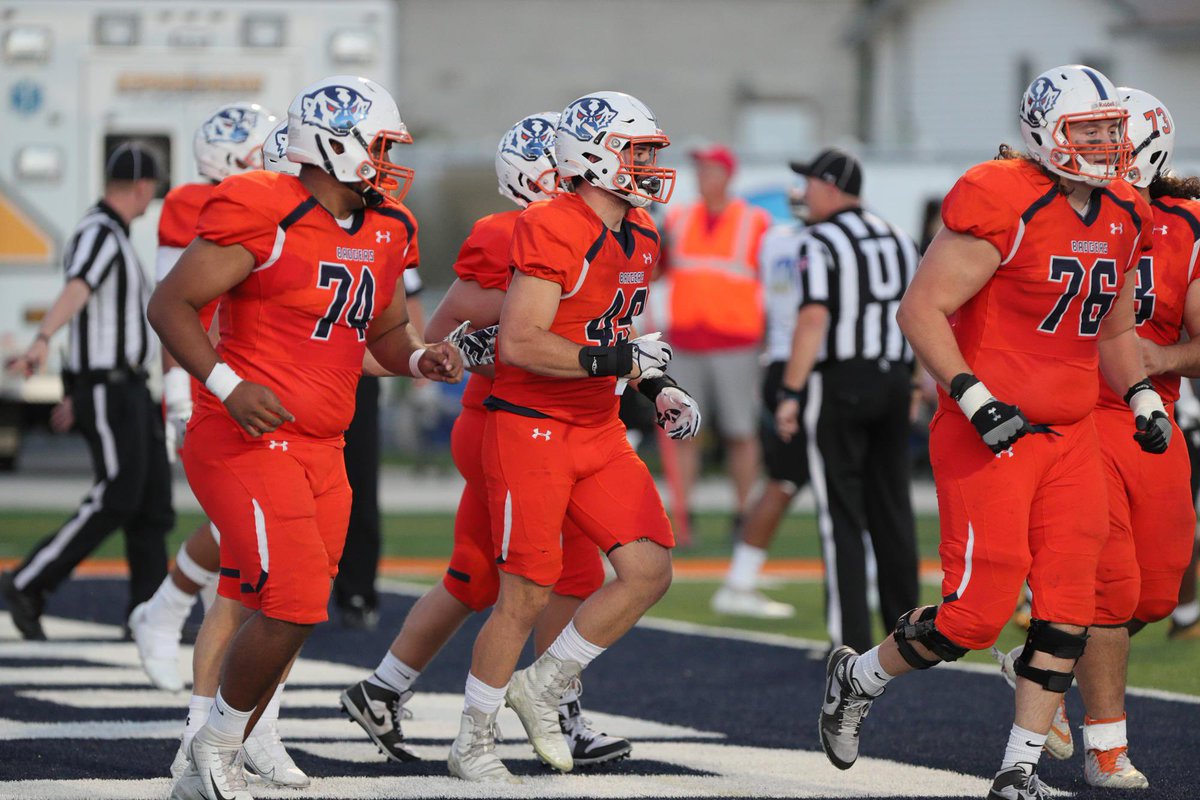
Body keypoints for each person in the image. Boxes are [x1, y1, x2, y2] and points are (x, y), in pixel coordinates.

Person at [817, 65, 1170, 800]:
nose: (1108, 144)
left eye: (1113, 129)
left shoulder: (1125, 212)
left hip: (1072, 432)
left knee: (1071, 606)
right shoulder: (1003, 197)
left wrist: (1139, 394)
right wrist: (973, 394)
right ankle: (860, 675)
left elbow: (1114, 327)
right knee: (975, 617)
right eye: (1090, 131)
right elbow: (920, 309)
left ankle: (1018, 768)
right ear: (1047, 134)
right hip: (992, 431)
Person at [149, 75, 462, 800]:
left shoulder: (389, 228)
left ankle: (221, 745)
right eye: (379, 147)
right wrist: (226, 385)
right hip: (246, 437)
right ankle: (216, 746)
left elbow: (383, 332)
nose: (387, 163)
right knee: (289, 601)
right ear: (334, 143)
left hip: (325, 446)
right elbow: (170, 305)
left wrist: (420, 357)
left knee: (293, 608)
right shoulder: (265, 207)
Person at [341, 111, 631, 768]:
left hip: (511, 419)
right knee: (568, 576)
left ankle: (381, 689)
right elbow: (446, 335)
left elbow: (442, 331)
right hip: (524, 421)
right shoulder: (523, 233)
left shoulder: (588, 229)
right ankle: (560, 712)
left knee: (473, 577)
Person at [447, 91, 700, 783]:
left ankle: (545, 682)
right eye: (637, 150)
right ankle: (471, 739)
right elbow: (524, 342)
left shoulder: (641, 232)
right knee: (524, 591)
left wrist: (657, 386)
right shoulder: (549, 225)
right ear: (592, 155)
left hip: (596, 424)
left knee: (649, 569)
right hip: (530, 427)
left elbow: (615, 336)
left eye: (651, 151)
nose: (650, 164)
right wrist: (620, 363)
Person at [1043, 87, 1199, 788]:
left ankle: (1042, 657)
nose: (1102, 154)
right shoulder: (1056, 210)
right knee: (1111, 585)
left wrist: (1160, 360)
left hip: (1152, 417)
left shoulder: (1184, 225)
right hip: (1078, 414)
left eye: (1115, 141)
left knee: (1159, 594)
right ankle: (1108, 747)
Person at [129, 101, 280, 694]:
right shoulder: (194, 203)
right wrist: (177, 392)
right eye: (261, 147)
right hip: (212, 374)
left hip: (258, 370)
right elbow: (175, 306)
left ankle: (164, 609)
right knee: (246, 519)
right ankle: (168, 613)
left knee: (245, 519)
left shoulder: (276, 201)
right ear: (232, 157)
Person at [2, 142, 173, 641]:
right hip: (111, 386)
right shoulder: (98, 232)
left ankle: (146, 616)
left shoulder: (112, 235)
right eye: (152, 190)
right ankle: (28, 580)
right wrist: (40, 342)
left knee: (152, 502)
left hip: (127, 387)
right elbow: (77, 292)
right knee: (118, 495)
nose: (152, 199)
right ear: (141, 187)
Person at [774, 148, 920, 652]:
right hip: (895, 380)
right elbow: (924, 314)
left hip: (840, 382)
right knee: (892, 507)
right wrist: (918, 382)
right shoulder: (900, 237)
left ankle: (850, 642)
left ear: (830, 186)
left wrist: (791, 391)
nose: (802, 193)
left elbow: (814, 318)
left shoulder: (819, 239)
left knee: (842, 517)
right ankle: (910, 634)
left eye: (809, 183)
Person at [660, 144, 771, 531]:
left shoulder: (755, 222)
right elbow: (658, 271)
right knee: (683, 430)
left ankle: (743, 514)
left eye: (710, 170)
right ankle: (681, 515)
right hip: (687, 341)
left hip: (736, 342)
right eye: (700, 170)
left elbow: (774, 283)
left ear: (728, 175)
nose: (703, 177)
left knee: (740, 431)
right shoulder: (678, 218)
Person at [711, 178, 808, 619]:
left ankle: (742, 576)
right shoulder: (815, 241)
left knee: (788, 479)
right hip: (806, 367)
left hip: (778, 361)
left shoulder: (773, 240)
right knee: (814, 479)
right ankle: (741, 579)